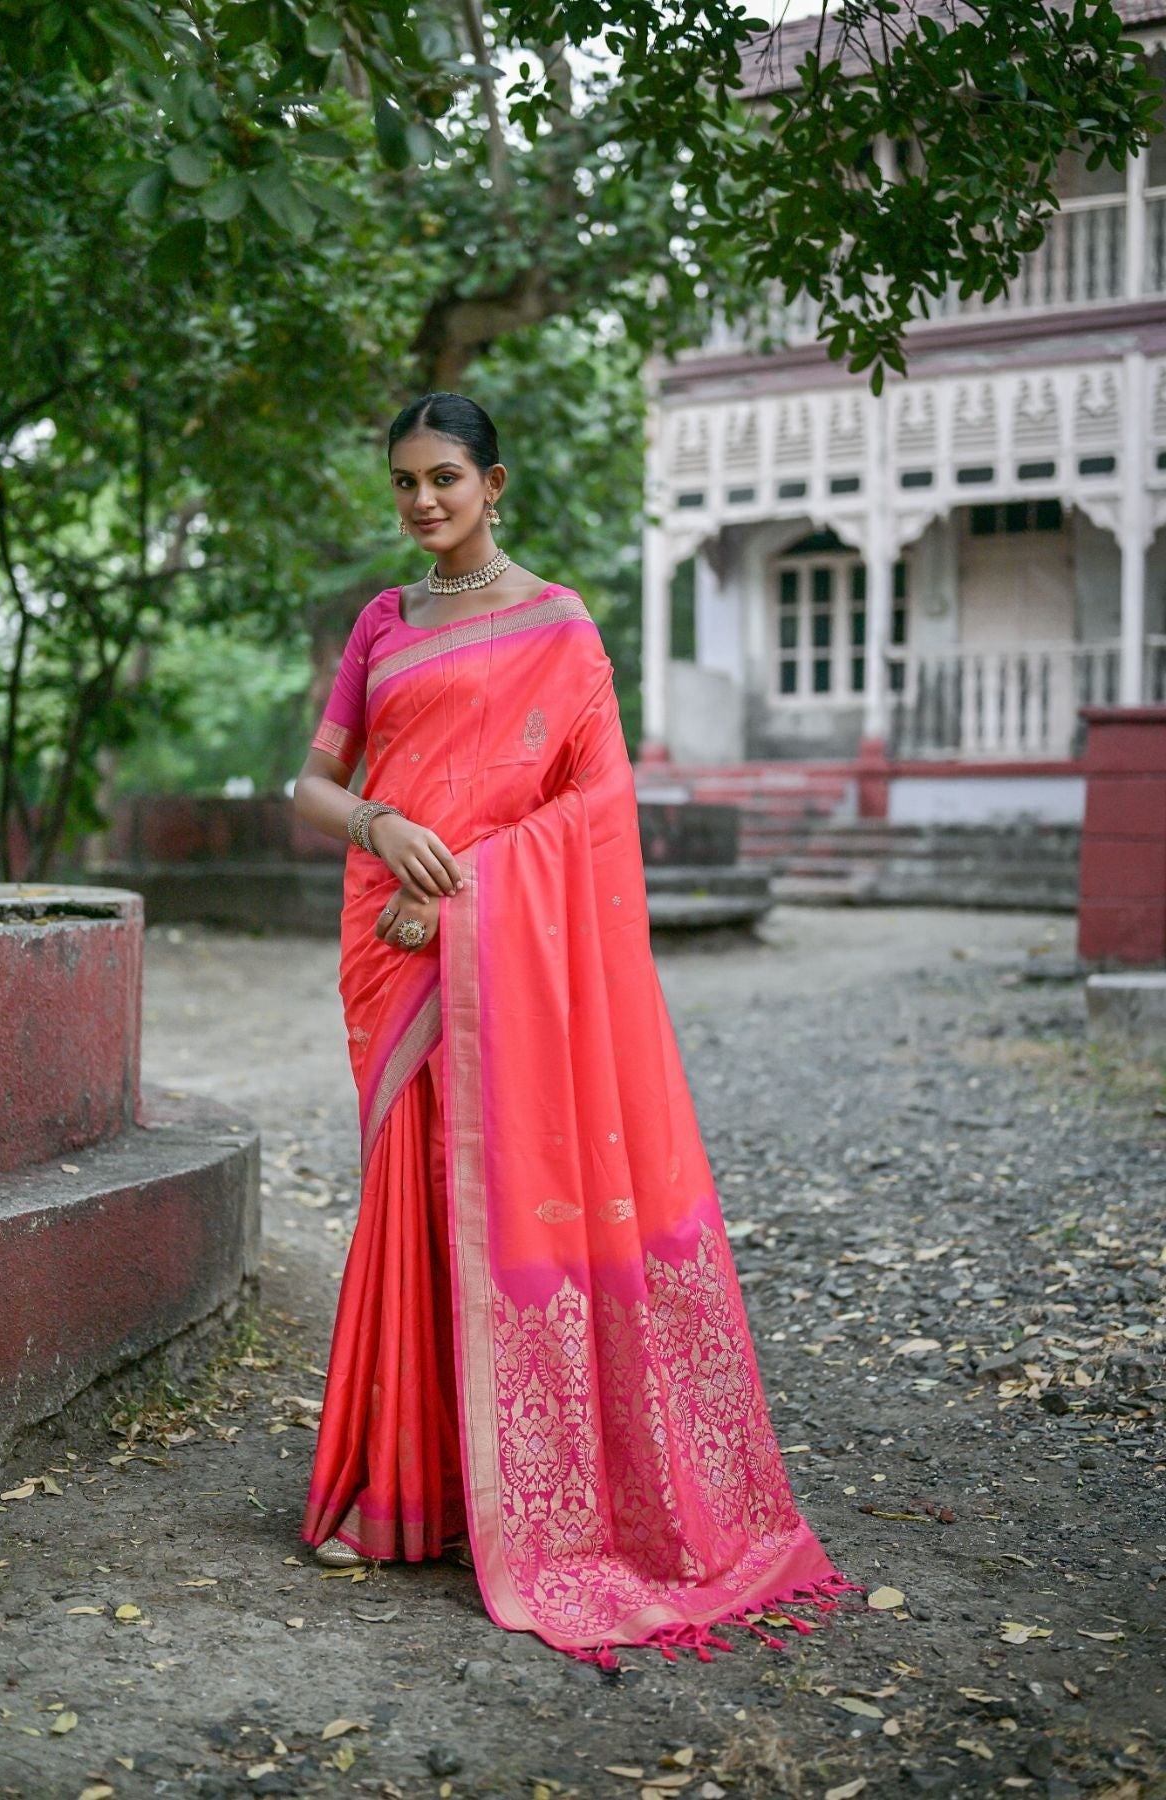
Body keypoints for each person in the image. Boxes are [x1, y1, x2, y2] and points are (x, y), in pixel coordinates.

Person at [290, 391, 856, 1668]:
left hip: (490, 955)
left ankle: (527, 1498)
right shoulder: (381, 624)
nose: (423, 502)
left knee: (500, 1196)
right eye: (403, 483)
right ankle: (405, 1496)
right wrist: (383, 832)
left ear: (497, 483)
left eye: (445, 478)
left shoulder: (558, 624)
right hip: (391, 952)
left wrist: (466, 895)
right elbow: (310, 785)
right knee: (411, 1199)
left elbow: (597, 811)